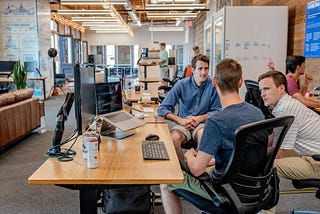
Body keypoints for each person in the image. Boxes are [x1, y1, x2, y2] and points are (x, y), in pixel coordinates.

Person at [160, 58, 267, 214]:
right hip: (254, 188)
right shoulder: (257, 112)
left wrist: (190, 156)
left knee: (166, 183)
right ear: (241, 82)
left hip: (225, 191)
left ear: (215, 82)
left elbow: (197, 170)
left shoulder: (216, 122)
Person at [157, 54, 221, 161]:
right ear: (193, 70)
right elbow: (162, 108)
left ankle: (198, 169)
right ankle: (184, 168)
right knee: (173, 139)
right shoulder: (181, 84)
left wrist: (200, 118)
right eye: (200, 69)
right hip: (183, 123)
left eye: (206, 69)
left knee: (204, 136)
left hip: (202, 124)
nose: (204, 72)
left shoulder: (213, 86)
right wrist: (180, 120)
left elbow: (218, 111)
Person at [258, 70, 320, 180]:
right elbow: (274, 137)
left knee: (265, 165)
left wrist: (245, 157)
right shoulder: (285, 104)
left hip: (316, 162)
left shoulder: (285, 110)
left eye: (266, 89)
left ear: (281, 88)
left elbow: (279, 152)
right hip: (313, 155)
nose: (262, 94)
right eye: (261, 90)